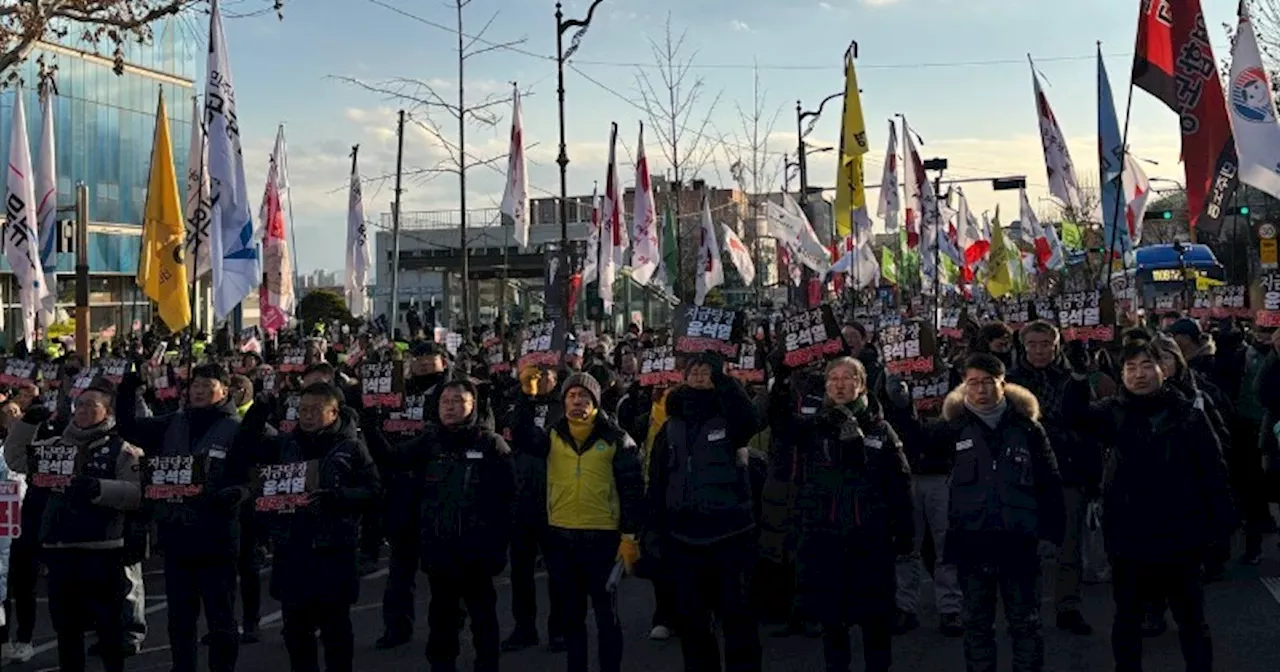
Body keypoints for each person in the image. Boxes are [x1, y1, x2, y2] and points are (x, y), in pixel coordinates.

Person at [1088, 341, 1236, 672]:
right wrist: (1080, 373)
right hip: (1129, 538)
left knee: (1192, 621)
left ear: (1163, 370)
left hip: (1181, 535)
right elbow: (1070, 418)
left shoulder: (1190, 416)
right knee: (1127, 621)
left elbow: (1214, 472)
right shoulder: (1111, 413)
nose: (1138, 375)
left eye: (1145, 366)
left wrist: (1220, 531)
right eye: (1130, 368)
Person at [117, 363, 252, 672]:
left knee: (221, 619)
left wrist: (235, 495)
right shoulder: (174, 423)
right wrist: (128, 389)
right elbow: (129, 428)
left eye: (208, 384)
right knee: (180, 619)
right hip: (176, 534)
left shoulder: (236, 428)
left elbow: (254, 474)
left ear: (225, 390)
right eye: (195, 385)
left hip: (217, 536)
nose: (200, 390)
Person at [240, 382, 381, 672]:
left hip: (335, 549)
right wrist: (260, 409)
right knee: (296, 632)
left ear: (333, 412)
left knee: (336, 631)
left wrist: (338, 498)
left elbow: (374, 492)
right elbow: (246, 447)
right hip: (292, 549)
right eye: (302, 410)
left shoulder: (351, 448)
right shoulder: (285, 444)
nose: (306, 416)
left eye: (315, 410)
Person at [941, 354, 1066, 672]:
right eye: (973, 382)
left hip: (1019, 541)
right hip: (972, 541)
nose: (981, 389)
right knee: (977, 625)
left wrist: (1052, 534)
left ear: (1003, 383)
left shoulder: (1027, 428)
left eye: (988, 382)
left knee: (1025, 623)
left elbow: (1050, 483)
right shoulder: (953, 429)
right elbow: (915, 447)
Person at [9, 380, 143, 672]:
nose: (81, 410)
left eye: (90, 405)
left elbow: (137, 493)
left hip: (104, 551)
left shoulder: (122, 449)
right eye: (78, 405)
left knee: (109, 629)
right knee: (67, 631)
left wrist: (99, 488)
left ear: (106, 412)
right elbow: (16, 458)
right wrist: (28, 424)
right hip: (60, 549)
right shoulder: (56, 446)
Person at [794, 357, 913, 672]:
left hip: (870, 542)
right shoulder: (813, 429)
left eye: (847, 378)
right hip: (826, 540)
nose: (839, 384)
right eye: (833, 378)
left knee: (876, 626)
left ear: (861, 384)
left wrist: (904, 533)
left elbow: (900, 484)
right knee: (833, 626)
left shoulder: (879, 428)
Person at [646, 353, 764, 671]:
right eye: (694, 372)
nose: (700, 377)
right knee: (694, 628)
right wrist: (652, 534)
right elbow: (657, 482)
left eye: (706, 372)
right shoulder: (670, 427)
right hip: (683, 539)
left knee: (738, 625)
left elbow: (750, 421)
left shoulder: (731, 418)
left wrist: (723, 379)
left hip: (731, 536)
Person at [398, 380, 515, 672]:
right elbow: (392, 459)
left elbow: (508, 499)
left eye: (457, 401)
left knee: (483, 618)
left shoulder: (490, 444)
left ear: (473, 405)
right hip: (439, 548)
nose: (450, 407)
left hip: (478, 551)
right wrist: (372, 422)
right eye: (444, 402)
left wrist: (499, 546)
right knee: (441, 620)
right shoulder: (428, 442)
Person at [532, 372, 644, 672]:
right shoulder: (551, 436)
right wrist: (528, 394)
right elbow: (519, 436)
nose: (577, 402)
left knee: (606, 615)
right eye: (571, 396)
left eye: (584, 396)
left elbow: (632, 490)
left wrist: (629, 536)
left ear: (594, 402)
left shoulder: (616, 437)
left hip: (603, 539)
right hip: (562, 537)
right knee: (572, 617)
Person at [1004, 321, 1096, 636]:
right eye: (1033, 344)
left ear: (1056, 347)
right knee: (1024, 546)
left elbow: (1086, 419)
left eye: (1046, 344)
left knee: (1068, 546)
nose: (1040, 350)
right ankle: (1025, 608)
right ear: (1023, 346)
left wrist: (1082, 378)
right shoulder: (1010, 382)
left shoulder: (1072, 378)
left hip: (1067, 471)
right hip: (1024, 474)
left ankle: (1068, 606)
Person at [499, 366, 566, 653]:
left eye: (547, 373)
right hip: (522, 498)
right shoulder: (517, 402)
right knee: (521, 572)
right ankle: (524, 627)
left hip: (558, 499)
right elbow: (516, 432)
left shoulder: (566, 404)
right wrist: (527, 397)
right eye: (535, 373)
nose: (541, 378)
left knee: (559, 572)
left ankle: (560, 629)